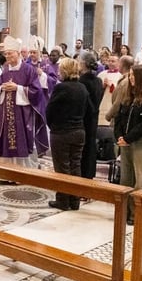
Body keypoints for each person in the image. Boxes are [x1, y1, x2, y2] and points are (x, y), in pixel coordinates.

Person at [0, 36, 49, 169]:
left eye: (10, 53)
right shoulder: (5, 71)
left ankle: (23, 171)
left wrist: (17, 88)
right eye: (5, 54)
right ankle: (6, 171)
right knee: (5, 139)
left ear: (18, 54)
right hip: (6, 113)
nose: (7, 56)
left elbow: (37, 91)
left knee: (21, 140)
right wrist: (2, 88)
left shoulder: (28, 69)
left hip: (22, 114)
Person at [114, 64, 142, 224]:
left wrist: (128, 138)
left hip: (141, 141)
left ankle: (137, 213)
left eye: (134, 75)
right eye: (130, 75)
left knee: (141, 179)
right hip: (125, 141)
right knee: (125, 178)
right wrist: (119, 136)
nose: (131, 78)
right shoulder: (128, 94)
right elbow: (119, 117)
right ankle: (124, 211)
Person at [46, 58, 92, 210]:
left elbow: (50, 110)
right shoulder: (82, 88)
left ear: (64, 71)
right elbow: (89, 111)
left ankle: (63, 201)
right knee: (75, 166)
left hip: (61, 132)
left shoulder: (62, 88)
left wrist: (53, 126)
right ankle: (75, 200)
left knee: (62, 168)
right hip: (79, 131)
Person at [77, 51, 104, 179]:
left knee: (83, 148)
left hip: (83, 118)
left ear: (83, 64)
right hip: (94, 117)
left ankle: (82, 175)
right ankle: (89, 174)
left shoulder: (82, 81)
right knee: (91, 146)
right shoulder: (98, 80)